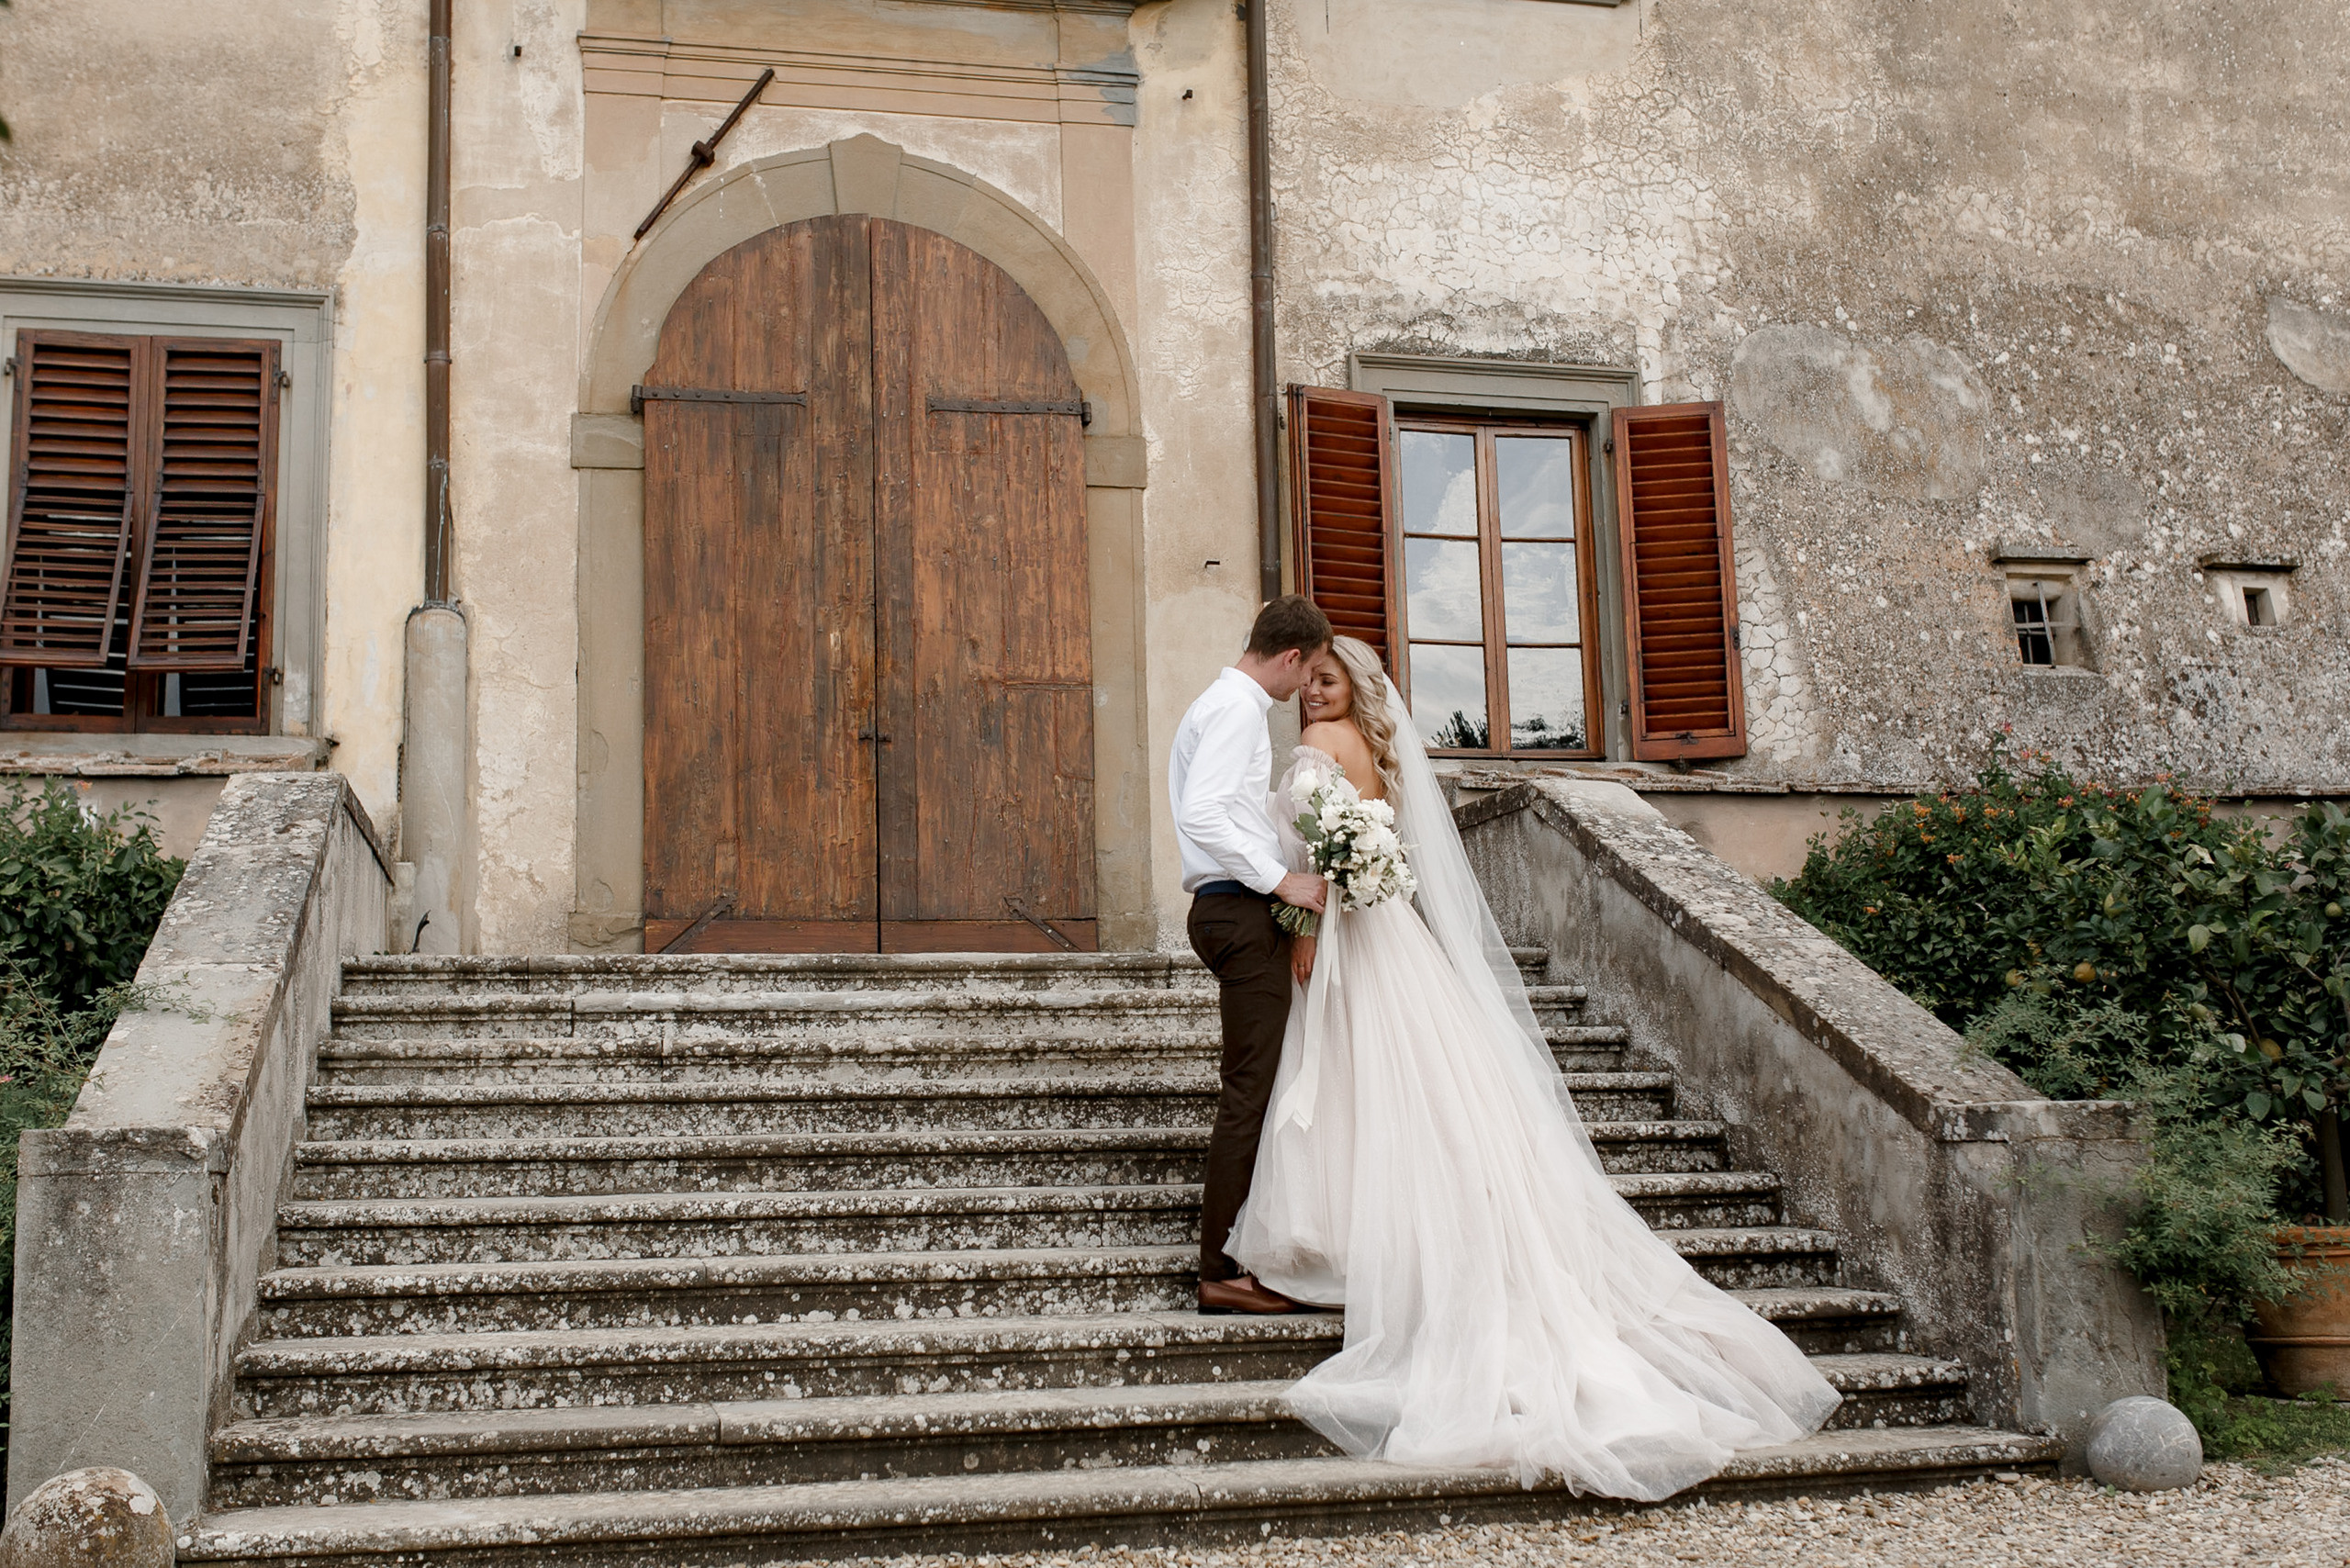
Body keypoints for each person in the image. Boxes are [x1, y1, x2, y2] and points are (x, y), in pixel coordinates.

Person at [1226, 634, 1842, 1498]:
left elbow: (1321, 863)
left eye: (1328, 682)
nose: (1315, 695)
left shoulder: (1320, 750)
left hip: (1353, 936)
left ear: (1352, 689)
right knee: (1404, 1084)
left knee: (1364, 1079)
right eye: (1311, 683)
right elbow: (1360, 852)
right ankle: (1379, 1234)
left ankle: (1348, 1241)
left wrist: (1308, 930)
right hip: (1386, 932)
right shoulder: (1375, 750)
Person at [1166, 595, 1334, 1316]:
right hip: (1237, 906)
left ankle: (1234, 1257)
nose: (1307, 690)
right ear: (1291, 656)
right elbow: (1203, 812)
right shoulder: (1238, 709)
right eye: (1311, 672)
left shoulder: (1219, 701)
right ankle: (1219, 1271)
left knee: (1253, 1085)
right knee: (1250, 1091)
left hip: (1229, 906)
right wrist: (1279, 879)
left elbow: (1226, 809)